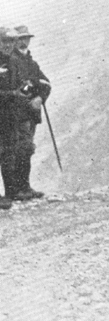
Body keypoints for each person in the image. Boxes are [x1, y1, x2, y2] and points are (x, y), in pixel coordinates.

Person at [10, 25, 52, 201]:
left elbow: (46, 83)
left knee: (26, 149)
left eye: (26, 38)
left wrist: (40, 98)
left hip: (29, 115)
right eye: (20, 38)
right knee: (17, 150)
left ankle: (24, 187)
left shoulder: (31, 62)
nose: (24, 41)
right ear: (14, 41)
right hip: (16, 114)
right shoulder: (10, 61)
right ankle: (16, 190)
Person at [0, 27, 18, 209]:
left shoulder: (12, 62)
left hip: (9, 116)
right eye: (5, 41)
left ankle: (10, 192)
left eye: (11, 42)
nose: (8, 45)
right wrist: (12, 94)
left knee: (8, 153)